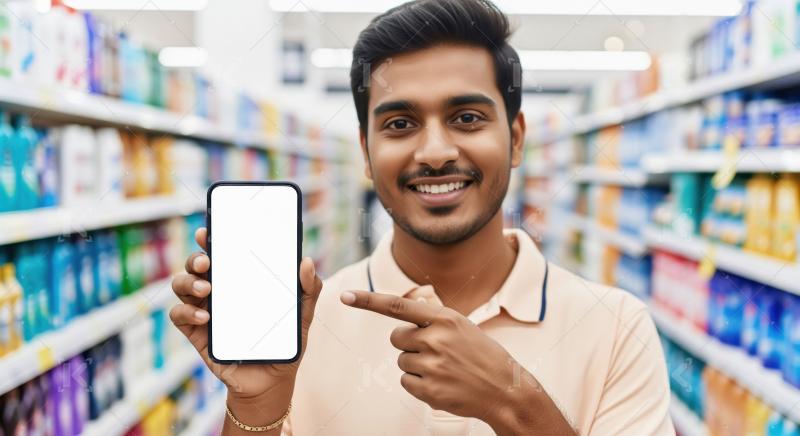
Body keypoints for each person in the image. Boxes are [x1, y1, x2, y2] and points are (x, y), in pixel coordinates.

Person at [169, 0, 675, 434]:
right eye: (401, 123)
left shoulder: (615, 327)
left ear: (516, 138)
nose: (434, 152)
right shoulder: (308, 324)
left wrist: (512, 403)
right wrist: (257, 405)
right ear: (366, 153)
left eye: (467, 118)